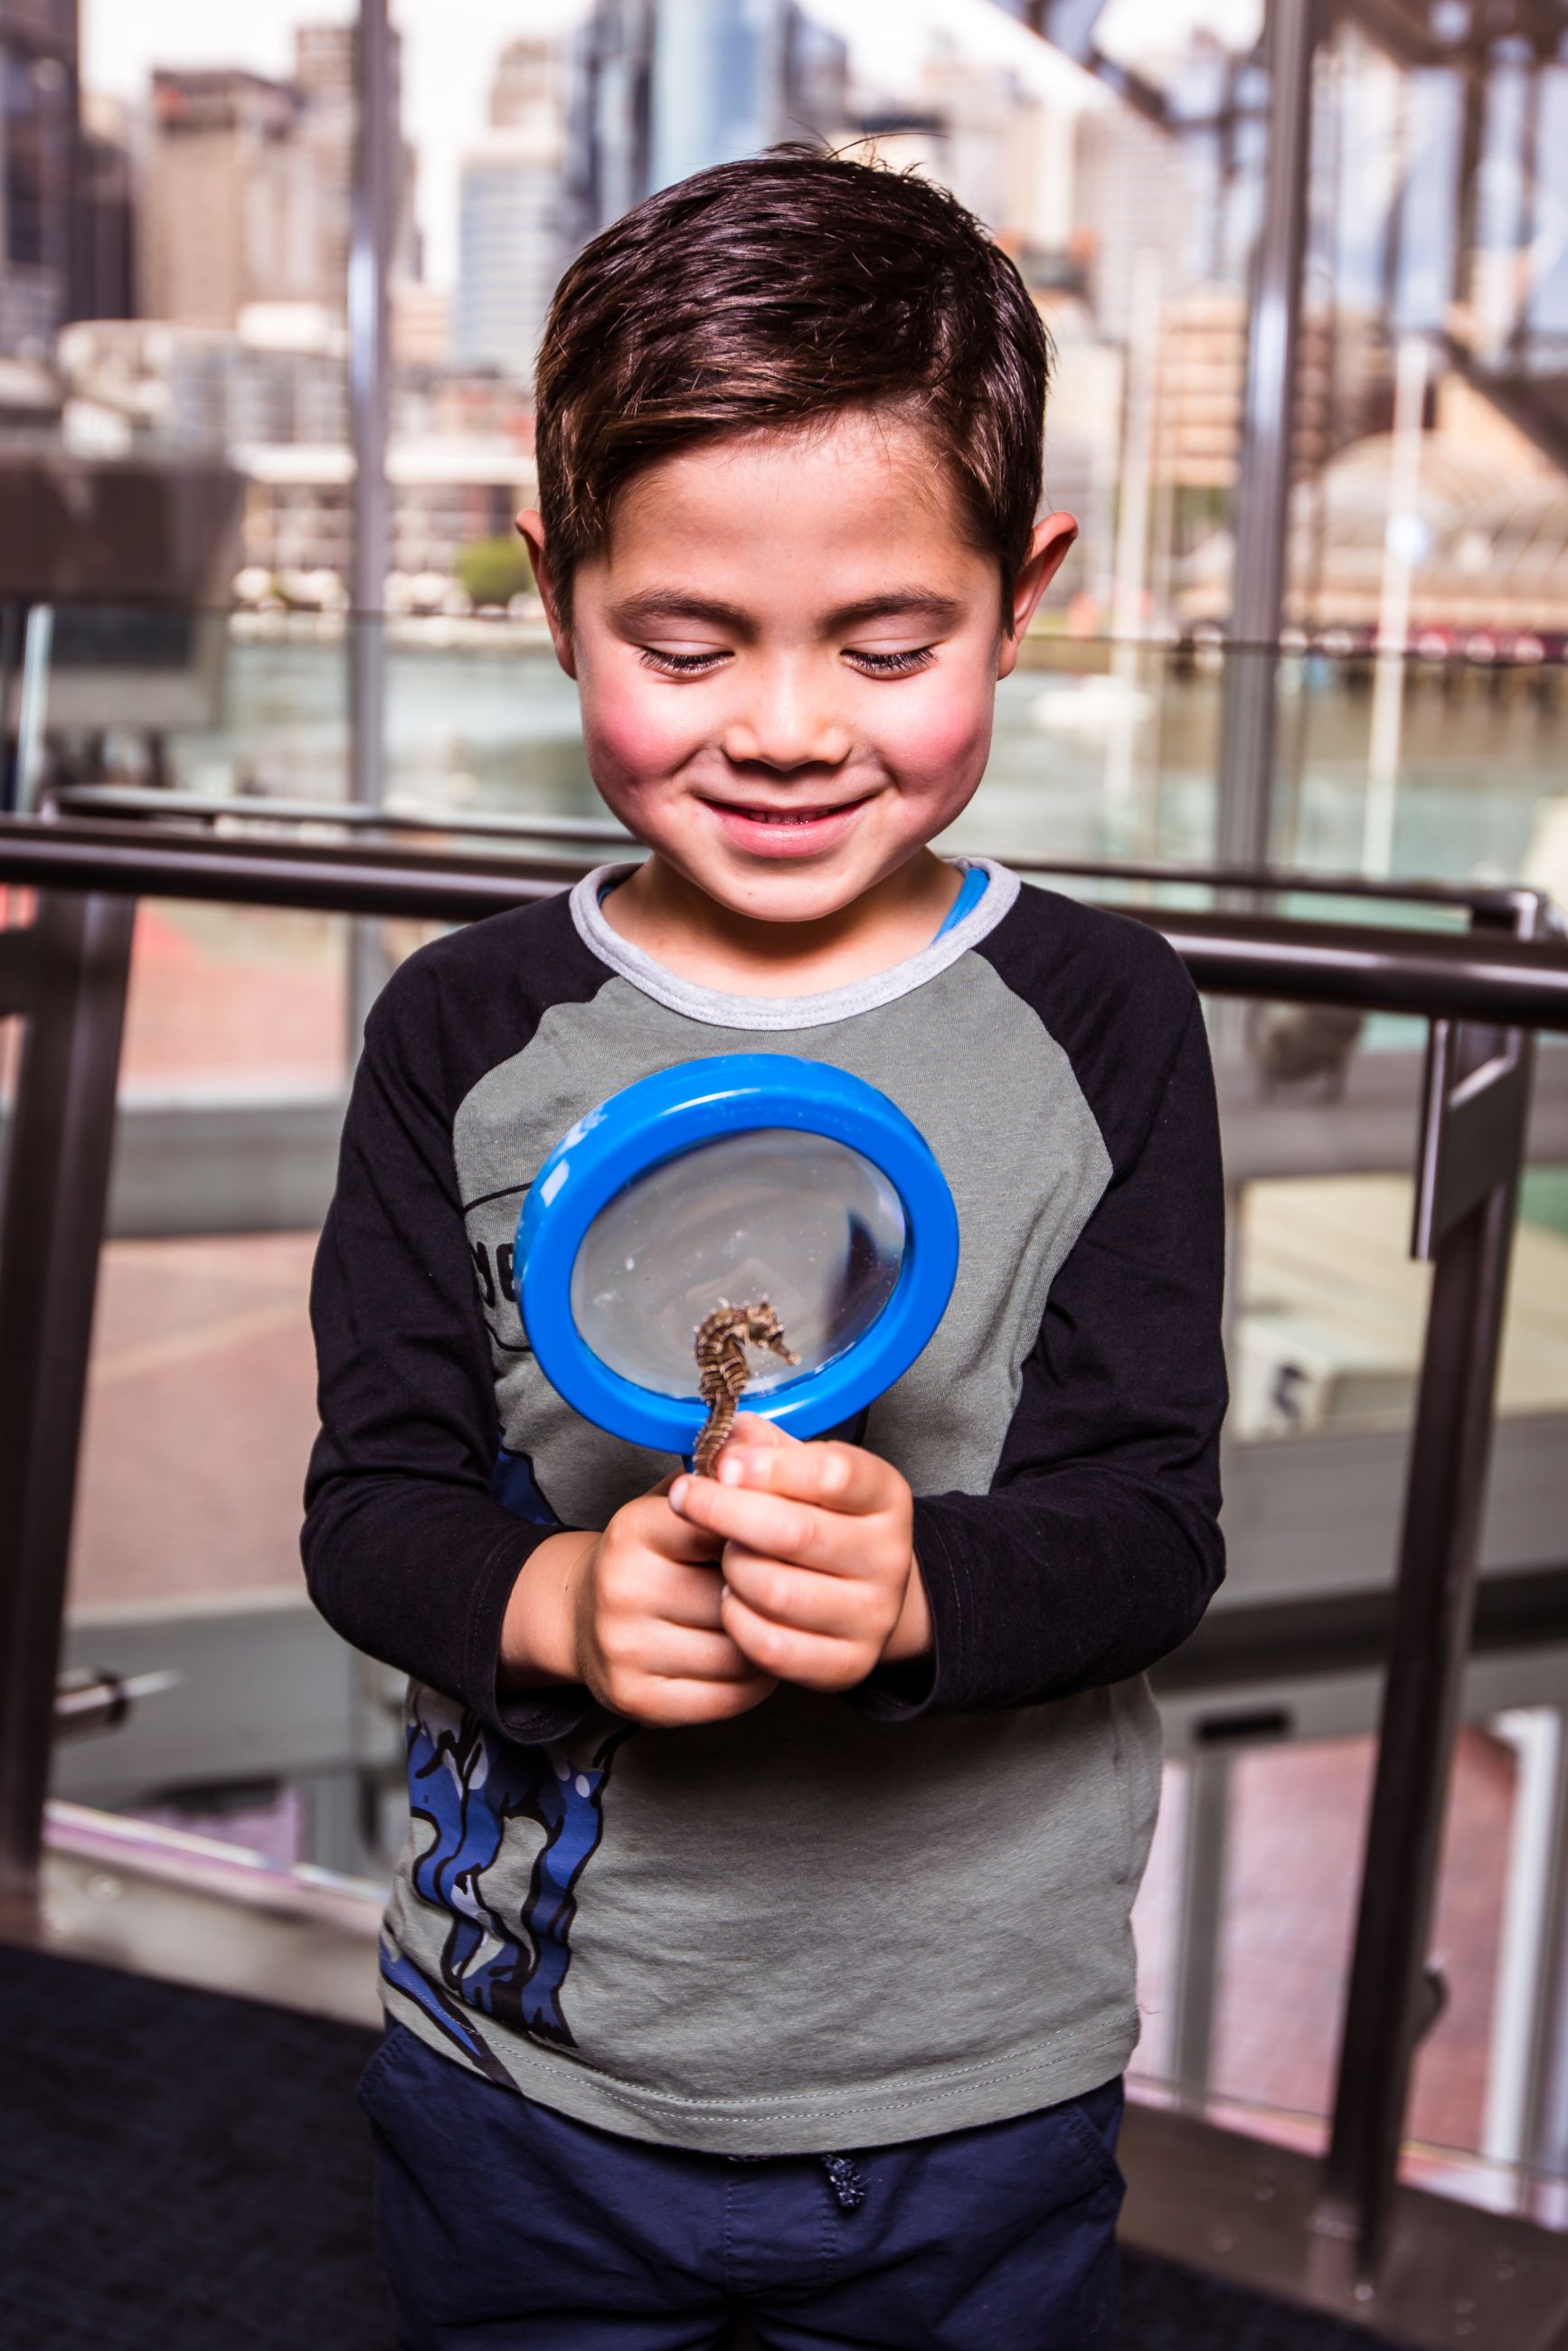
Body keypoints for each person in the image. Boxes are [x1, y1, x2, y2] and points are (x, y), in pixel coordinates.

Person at [303, 149, 1226, 2351]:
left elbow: (1151, 1525)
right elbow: (374, 1508)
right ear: (556, 596)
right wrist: (547, 1592)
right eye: (686, 643)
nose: (794, 724)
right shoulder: (457, 1029)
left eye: (888, 642)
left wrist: (922, 1587)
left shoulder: (1105, 1022)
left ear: (1024, 595)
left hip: (966, 2083)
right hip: (526, 2071)